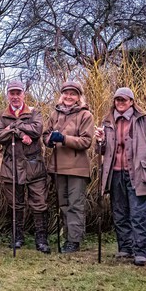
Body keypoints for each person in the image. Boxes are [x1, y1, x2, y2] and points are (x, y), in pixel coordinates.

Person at [96, 87, 146, 266]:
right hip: (115, 173)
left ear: (132, 102)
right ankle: (125, 248)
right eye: (117, 99)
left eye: (124, 100)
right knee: (119, 213)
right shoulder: (108, 121)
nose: (120, 103)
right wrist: (100, 141)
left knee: (139, 213)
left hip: (138, 172)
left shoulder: (143, 119)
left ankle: (142, 252)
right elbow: (101, 150)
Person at [0, 80, 51, 253]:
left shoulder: (34, 112)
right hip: (11, 166)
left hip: (34, 166)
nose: (15, 96)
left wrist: (12, 127)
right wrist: (20, 133)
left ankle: (41, 239)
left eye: (18, 93)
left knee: (39, 203)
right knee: (15, 204)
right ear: (8, 95)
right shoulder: (0, 116)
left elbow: (37, 130)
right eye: (12, 93)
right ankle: (17, 237)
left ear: (23, 94)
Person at [43, 80, 94, 253]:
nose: (69, 96)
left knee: (75, 204)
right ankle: (68, 237)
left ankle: (74, 240)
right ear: (62, 95)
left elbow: (86, 141)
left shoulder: (85, 115)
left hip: (77, 168)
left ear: (79, 97)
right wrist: (49, 140)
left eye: (73, 94)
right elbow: (45, 134)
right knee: (63, 204)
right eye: (66, 93)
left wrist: (64, 139)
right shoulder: (55, 114)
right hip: (58, 166)